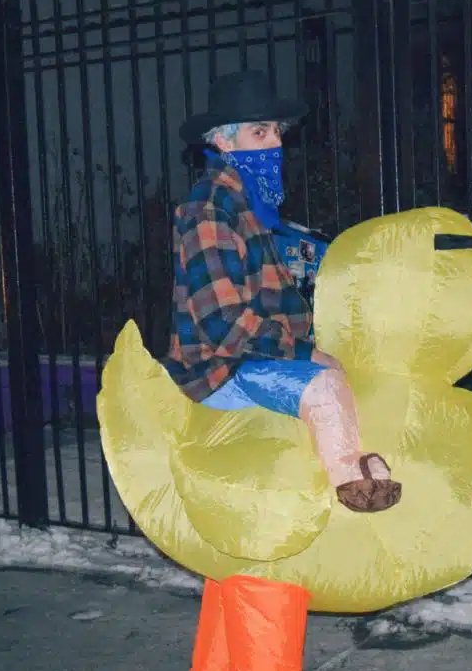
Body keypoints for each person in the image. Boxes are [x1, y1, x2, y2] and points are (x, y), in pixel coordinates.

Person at [164, 71, 402, 513]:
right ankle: (354, 485)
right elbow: (222, 324)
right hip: (219, 369)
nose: (275, 143)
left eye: (276, 131)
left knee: (358, 376)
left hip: (252, 357)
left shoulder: (252, 207)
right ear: (224, 142)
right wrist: (306, 353)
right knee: (323, 386)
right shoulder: (209, 209)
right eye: (260, 132)